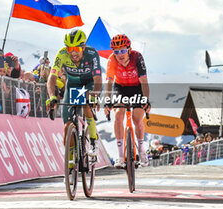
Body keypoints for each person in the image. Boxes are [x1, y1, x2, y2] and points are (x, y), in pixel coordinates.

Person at [46, 29, 102, 158]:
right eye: (70, 49)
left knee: (86, 103)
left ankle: (93, 138)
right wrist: (52, 97)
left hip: (89, 83)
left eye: (76, 48)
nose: (73, 52)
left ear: (83, 47)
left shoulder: (92, 54)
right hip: (72, 84)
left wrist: (94, 96)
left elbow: (98, 79)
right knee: (67, 124)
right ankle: (71, 160)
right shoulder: (62, 54)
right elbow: (52, 77)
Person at [103, 34, 151, 168]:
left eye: (123, 50)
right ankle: (119, 156)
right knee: (118, 116)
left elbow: (144, 82)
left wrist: (145, 100)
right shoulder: (111, 60)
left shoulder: (137, 57)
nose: (120, 54)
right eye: (116, 51)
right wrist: (108, 100)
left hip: (137, 88)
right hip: (121, 89)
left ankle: (141, 151)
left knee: (137, 119)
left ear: (129, 50)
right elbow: (109, 81)